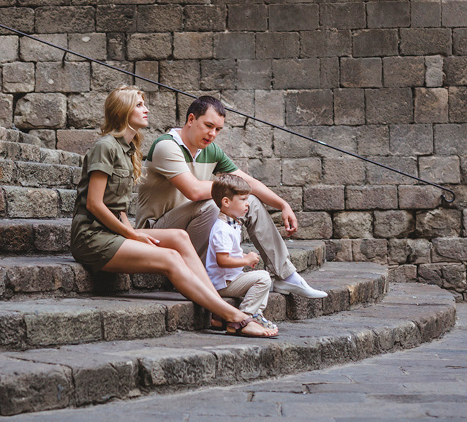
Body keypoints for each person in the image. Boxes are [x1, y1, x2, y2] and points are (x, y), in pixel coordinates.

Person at [70, 86, 277, 338]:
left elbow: (119, 207)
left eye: (144, 104)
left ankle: (218, 309)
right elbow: (94, 204)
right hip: (92, 238)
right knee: (170, 257)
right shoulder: (106, 147)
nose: (146, 109)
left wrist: (130, 231)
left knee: (180, 238)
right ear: (122, 109)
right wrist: (133, 235)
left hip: (114, 232)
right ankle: (234, 317)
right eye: (138, 105)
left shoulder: (129, 149)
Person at [135, 95, 327, 299]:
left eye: (218, 129)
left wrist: (282, 204)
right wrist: (230, 191)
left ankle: (286, 276)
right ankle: (201, 277)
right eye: (208, 125)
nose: (212, 134)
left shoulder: (210, 150)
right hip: (155, 234)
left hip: (191, 229)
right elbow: (194, 191)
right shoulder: (167, 146)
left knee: (248, 200)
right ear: (191, 119)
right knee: (215, 203)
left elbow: (247, 184)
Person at [206, 174, 277, 331]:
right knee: (263, 278)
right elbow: (222, 261)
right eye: (243, 199)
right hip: (223, 283)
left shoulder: (231, 224)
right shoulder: (223, 229)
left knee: (262, 278)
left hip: (230, 279)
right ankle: (245, 315)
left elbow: (228, 255)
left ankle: (233, 318)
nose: (248, 204)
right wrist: (245, 261)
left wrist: (244, 257)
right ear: (226, 202)